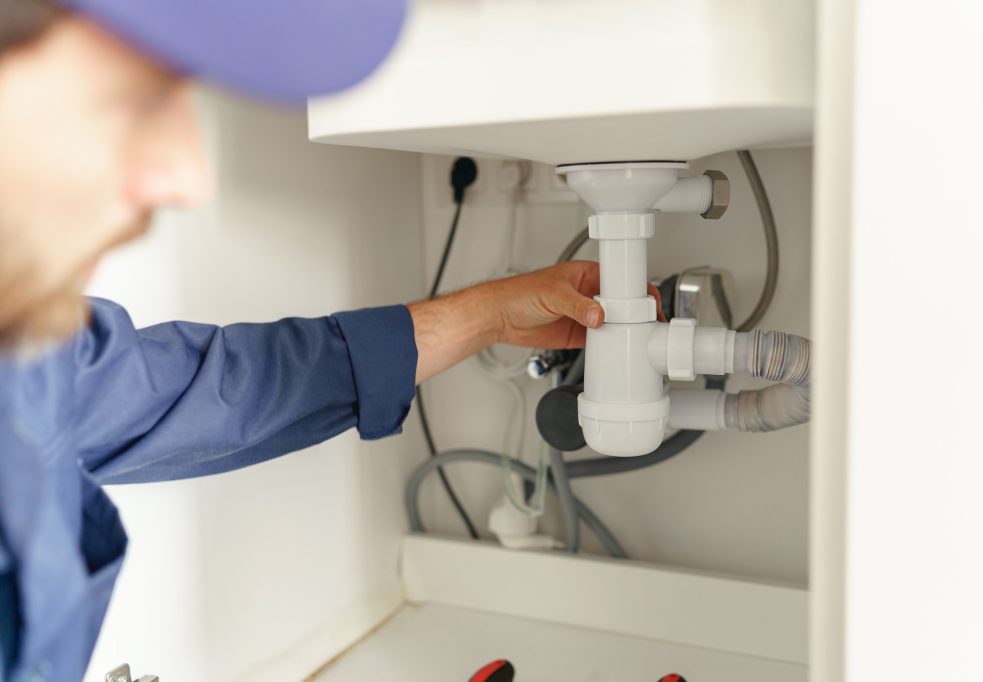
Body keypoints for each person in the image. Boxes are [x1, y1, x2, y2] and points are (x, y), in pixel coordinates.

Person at [0, 1, 668, 679]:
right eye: (131, 97)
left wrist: (489, 315)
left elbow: (211, 391)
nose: (189, 176)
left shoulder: (23, 361)